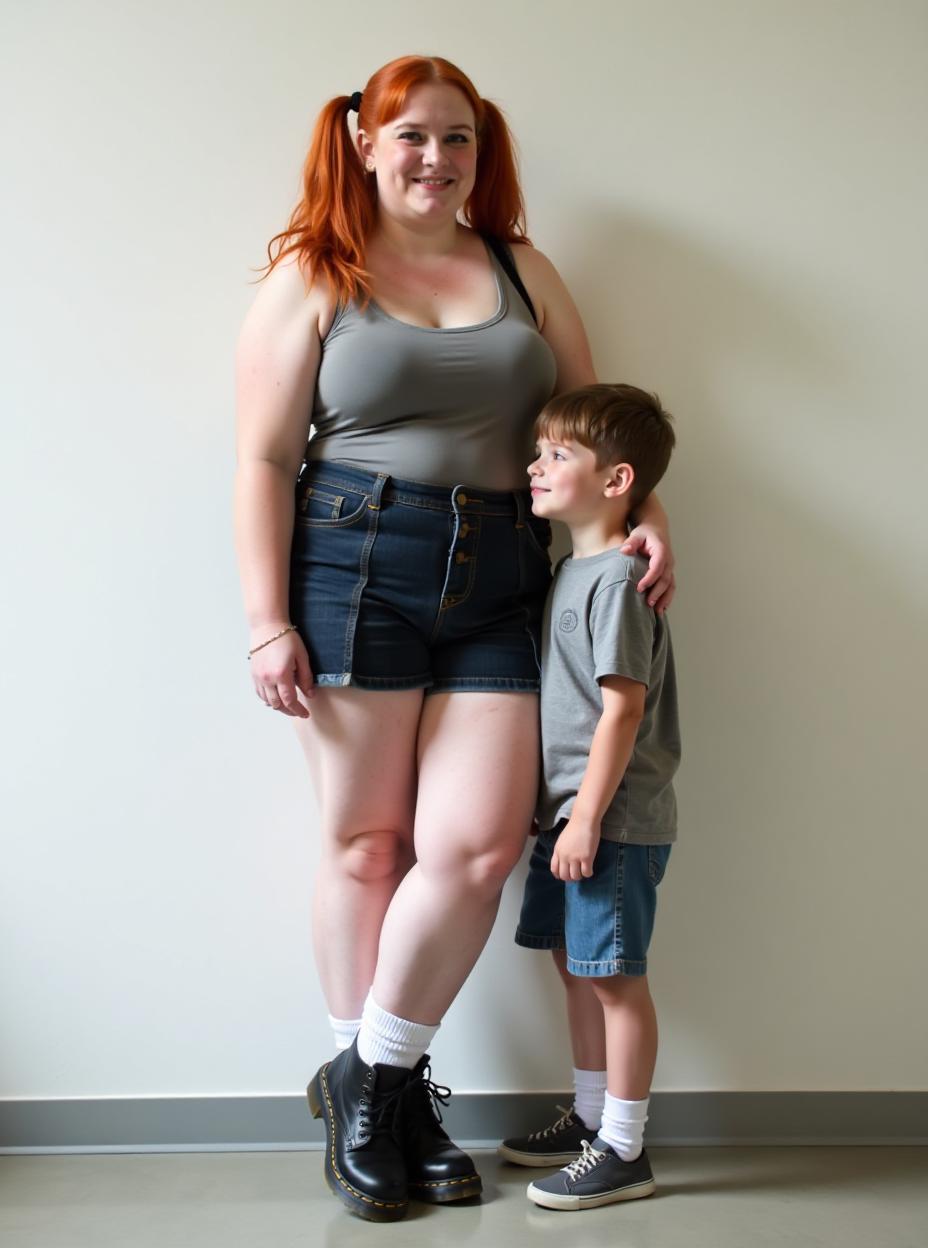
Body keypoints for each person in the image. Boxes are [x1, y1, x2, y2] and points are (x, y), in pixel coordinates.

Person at [234, 55, 676, 1223]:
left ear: (483, 152)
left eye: (460, 139)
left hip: (502, 573)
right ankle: (392, 1098)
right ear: (366, 143)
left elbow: (593, 413)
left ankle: (369, 1080)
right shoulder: (312, 273)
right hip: (349, 561)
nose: (437, 159)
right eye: (414, 137)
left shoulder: (520, 268)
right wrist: (264, 620)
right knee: (370, 846)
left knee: (475, 850)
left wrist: (648, 521)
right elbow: (264, 460)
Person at [498, 383, 680, 1212]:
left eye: (556, 455)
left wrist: (587, 817)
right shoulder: (573, 571)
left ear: (617, 482)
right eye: (537, 452)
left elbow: (624, 709)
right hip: (572, 815)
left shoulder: (617, 582)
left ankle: (625, 1149)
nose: (535, 466)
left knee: (615, 979)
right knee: (578, 967)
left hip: (608, 821)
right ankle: (588, 1114)